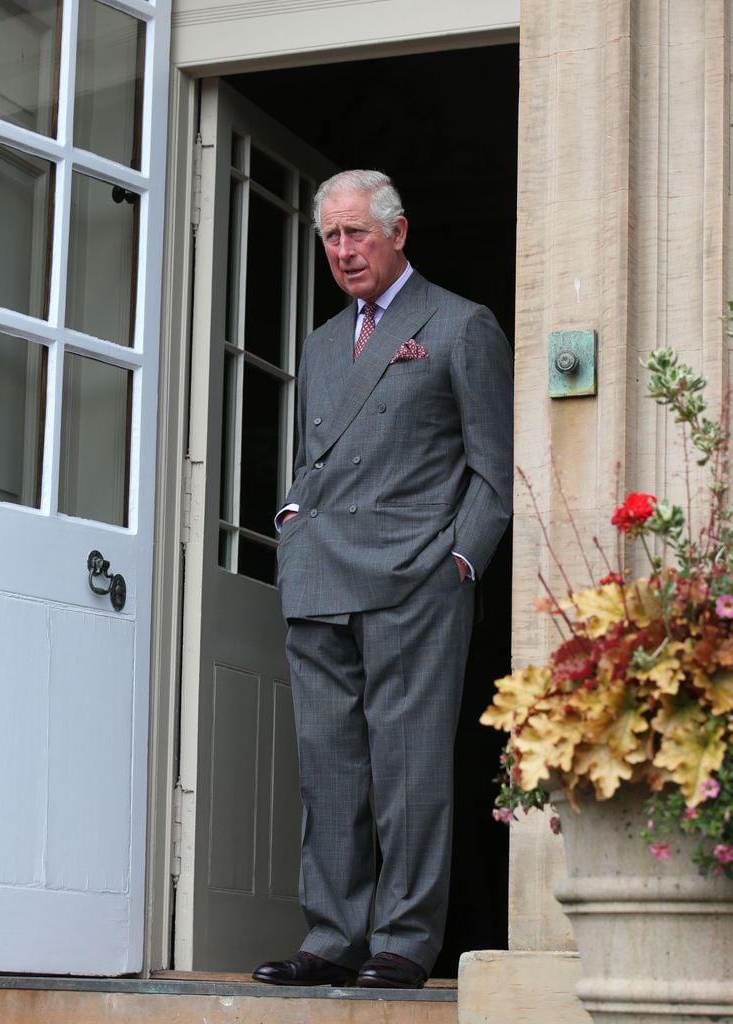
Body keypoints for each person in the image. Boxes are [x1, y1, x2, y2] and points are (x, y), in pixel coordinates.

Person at [252, 169, 513, 990]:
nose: (342, 250)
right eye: (330, 236)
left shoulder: (460, 324)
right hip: (321, 578)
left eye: (356, 232)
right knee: (329, 770)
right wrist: (291, 521)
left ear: (398, 232)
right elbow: (308, 459)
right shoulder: (325, 341)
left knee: (409, 769)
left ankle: (404, 938)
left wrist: (460, 563)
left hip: (415, 579)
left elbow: (495, 469)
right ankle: (331, 936)